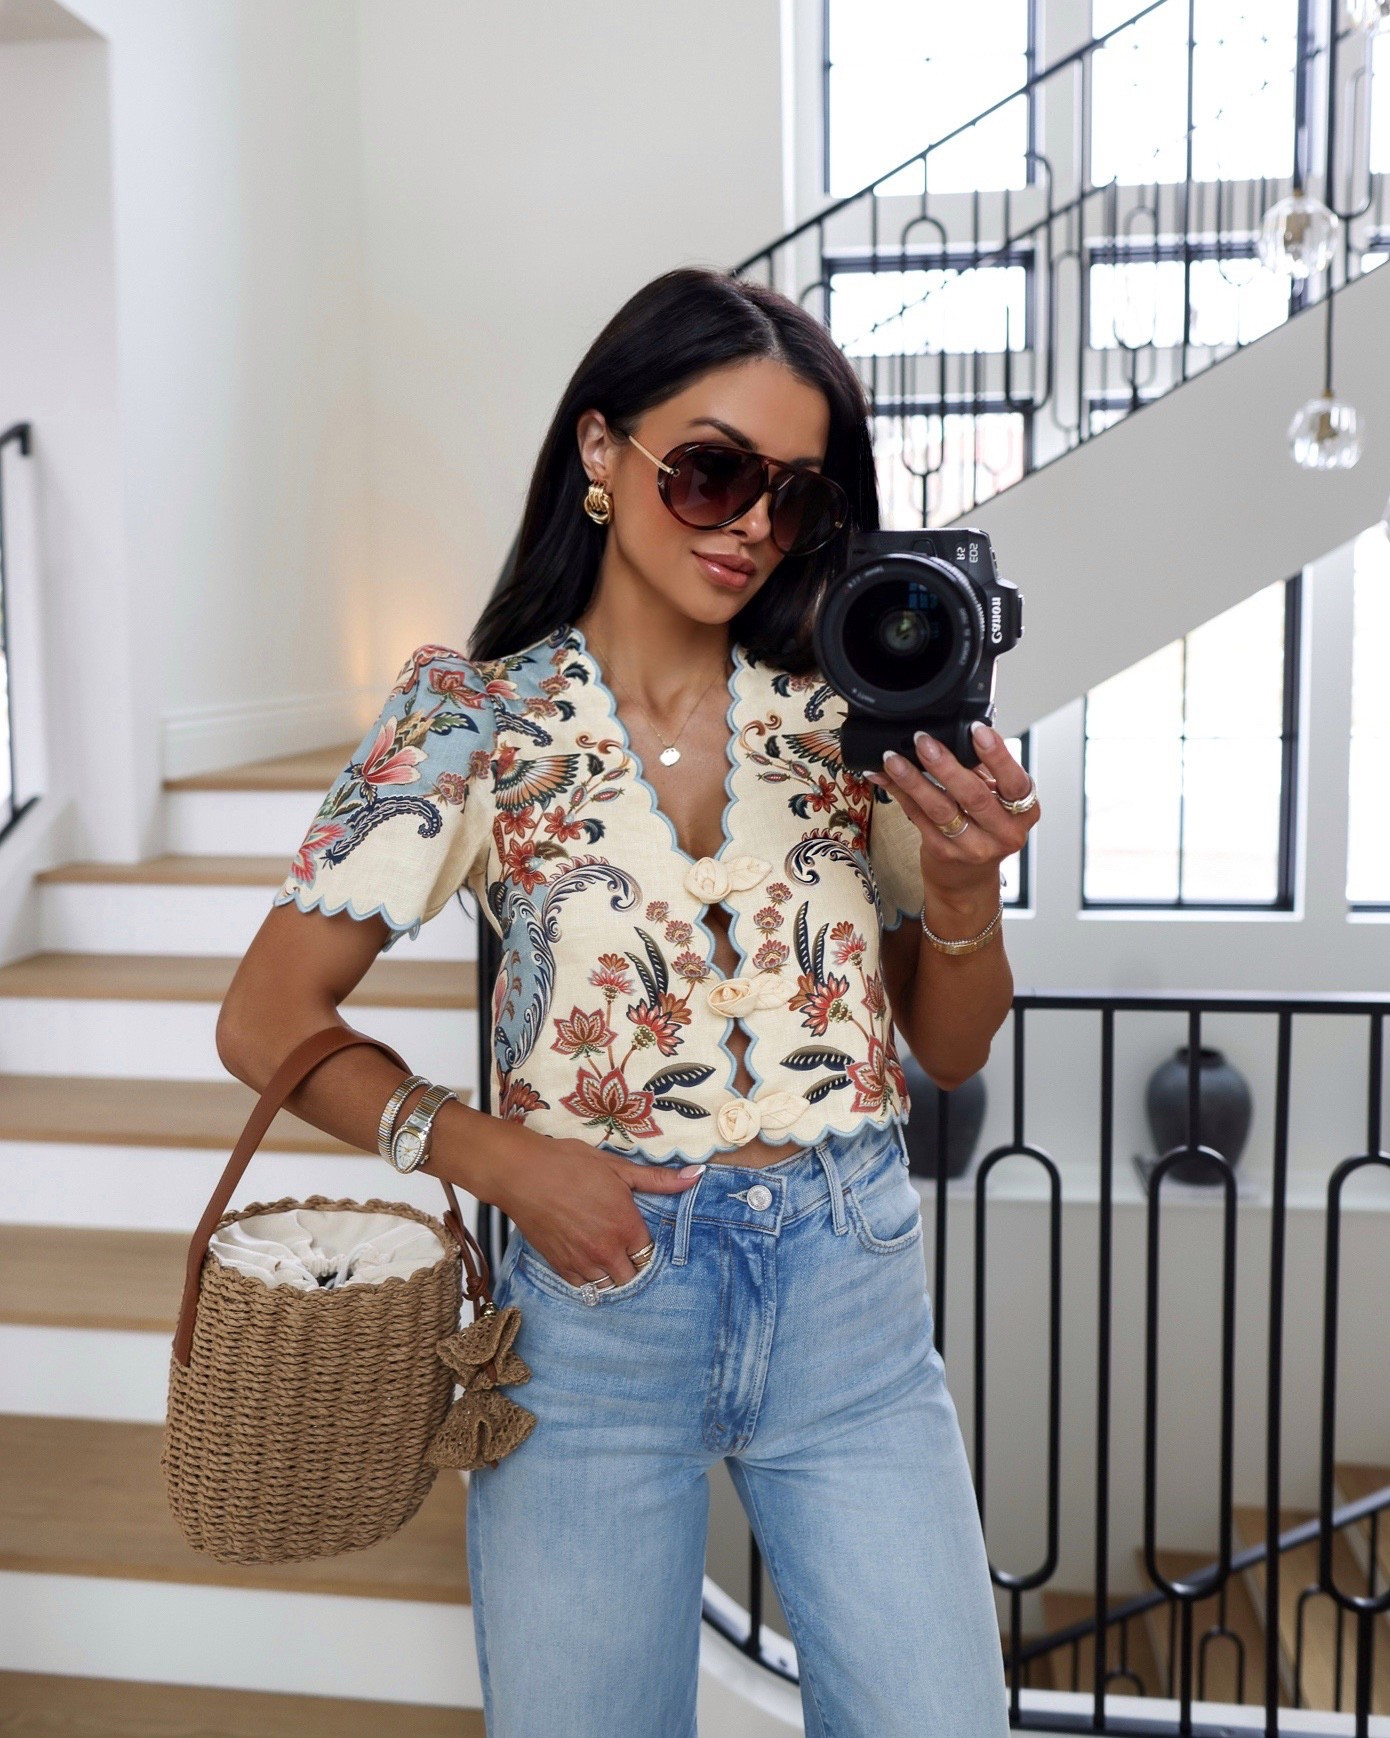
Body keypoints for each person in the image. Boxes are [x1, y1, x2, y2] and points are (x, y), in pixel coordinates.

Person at [217, 265, 1039, 1737]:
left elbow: (950, 1042)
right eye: (712, 472)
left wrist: (968, 900)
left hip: (847, 1294)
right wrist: (494, 1154)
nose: (750, 529)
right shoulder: (470, 720)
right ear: (601, 451)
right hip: (590, 1314)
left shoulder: (850, 716)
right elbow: (264, 1020)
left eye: (795, 498)